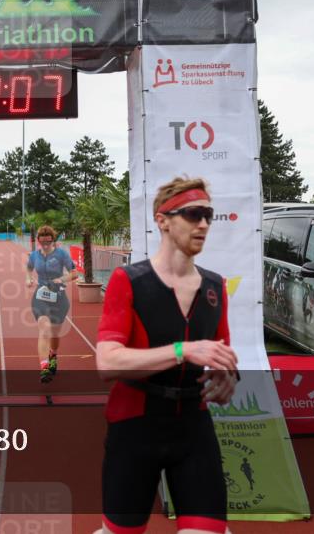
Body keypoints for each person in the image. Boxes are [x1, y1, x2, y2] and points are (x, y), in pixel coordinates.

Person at [95, 176, 238, 534]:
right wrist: (182, 350)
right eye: (192, 214)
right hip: (135, 426)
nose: (203, 224)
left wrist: (226, 378)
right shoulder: (128, 280)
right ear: (163, 220)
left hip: (193, 426)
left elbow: (222, 354)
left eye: (208, 215)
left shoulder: (215, 287)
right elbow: (107, 362)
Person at [26, 225, 77, 383]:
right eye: (43, 242)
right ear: (39, 241)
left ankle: (53, 354)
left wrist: (61, 279)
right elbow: (29, 268)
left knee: (54, 334)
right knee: (44, 327)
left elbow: (74, 273)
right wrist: (29, 279)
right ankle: (44, 367)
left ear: (53, 241)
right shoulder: (34, 255)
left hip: (59, 297)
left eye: (49, 242)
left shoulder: (61, 254)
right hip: (41, 296)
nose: (46, 245)